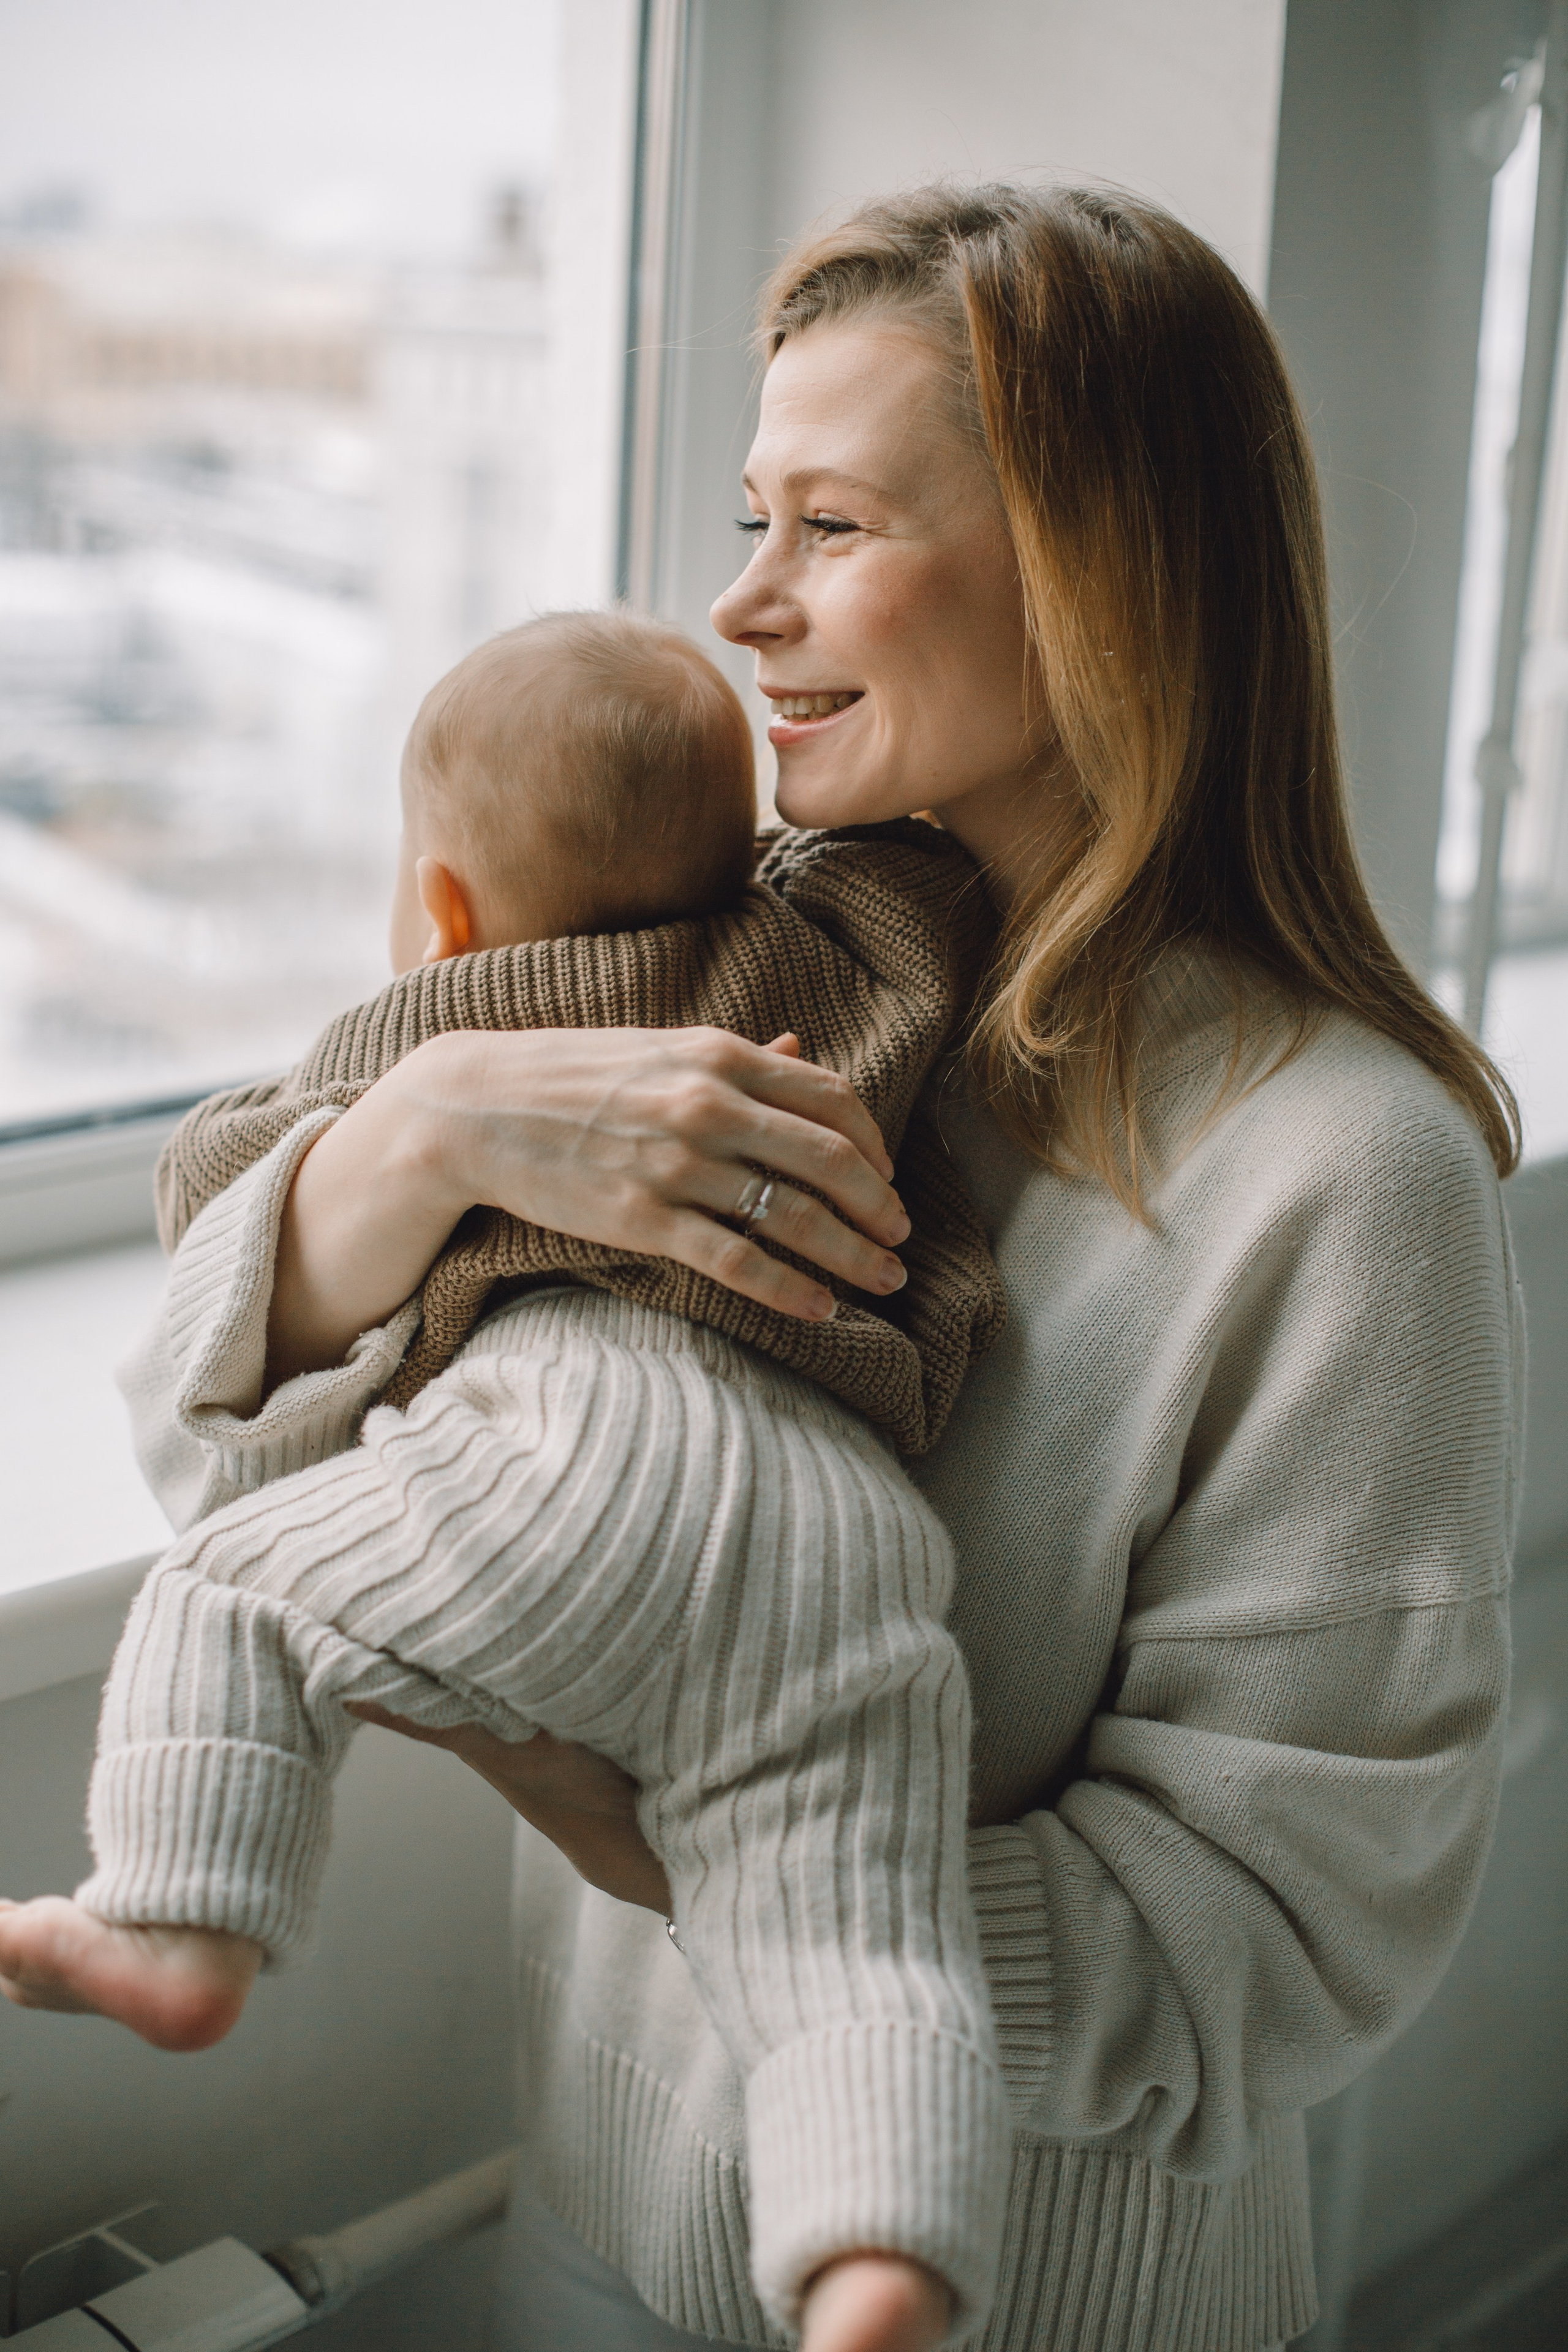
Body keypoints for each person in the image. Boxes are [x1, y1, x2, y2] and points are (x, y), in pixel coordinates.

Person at [19, 183, 1522, 2352]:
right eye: (754, 517)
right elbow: (216, 1468)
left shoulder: (1344, 1177)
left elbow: (1275, 1954)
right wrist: (430, 1136)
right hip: (600, 2216)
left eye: (830, 528)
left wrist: (674, 1837)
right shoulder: (741, 965)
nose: (740, 605)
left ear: (1104, 582)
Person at [0, 610, 1015, 2352]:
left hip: (577, 1456)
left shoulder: (445, 1021)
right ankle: (876, 2253)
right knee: (858, 1915)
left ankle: (183, 1927)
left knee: (233, 1590)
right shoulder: (849, 974)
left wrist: (413, 1083)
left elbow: (215, 1184)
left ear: (445, 907)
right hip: (845, 1530)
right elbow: (918, 885)